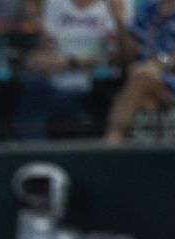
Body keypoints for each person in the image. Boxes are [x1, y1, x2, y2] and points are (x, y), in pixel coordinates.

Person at [104, 0, 175, 141]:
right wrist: (120, 21)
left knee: (141, 81)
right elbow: (130, 56)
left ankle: (110, 144)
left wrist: (160, 64)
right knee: (146, 99)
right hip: (144, 77)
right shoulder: (149, 9)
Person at [14, 0, 128, 138]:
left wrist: (70, 62)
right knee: (33, 88)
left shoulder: (113, 5)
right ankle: (31, 154)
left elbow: (115, 55)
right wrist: (40, 58)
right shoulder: (55, 4)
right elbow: (47, 46)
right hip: (53, 81)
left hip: (94, 85)